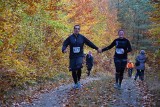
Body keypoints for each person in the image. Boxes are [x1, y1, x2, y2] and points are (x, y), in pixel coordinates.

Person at [62, 25, 100, 89]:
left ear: (79, 30)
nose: (77, 30)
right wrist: (63, 49)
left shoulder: (82, 37)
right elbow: (64, 44)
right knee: (73, 70)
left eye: (78, 29)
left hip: (80, 55)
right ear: (73, 29)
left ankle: (79, 81)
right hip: (72, 56)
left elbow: (89, 43)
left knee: (79, 66)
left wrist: (96, 48)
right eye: (75, 28)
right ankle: (76, 83)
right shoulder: (70, 38)